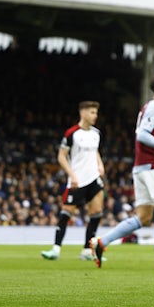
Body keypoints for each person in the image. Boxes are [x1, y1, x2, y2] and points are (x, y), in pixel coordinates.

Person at [90, 72, 154, 270]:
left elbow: (144, 140)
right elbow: (142, 135)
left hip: (143, 167)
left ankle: (101, 242)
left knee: (144, 217)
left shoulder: (151, 108)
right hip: (153, 169)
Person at [41, 101, 106, 261]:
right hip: (77, 180)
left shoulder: (96, 133)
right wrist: (72, 175)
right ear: (82, 113)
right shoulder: (72, 133)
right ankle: (55, 249)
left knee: (96, 213)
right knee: (66, 213)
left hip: (93, 178)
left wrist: (100, 164)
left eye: (96, 113)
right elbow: (61, 156)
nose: (95, 116)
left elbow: (94, 151)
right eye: (92, 112)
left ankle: (86, 250)